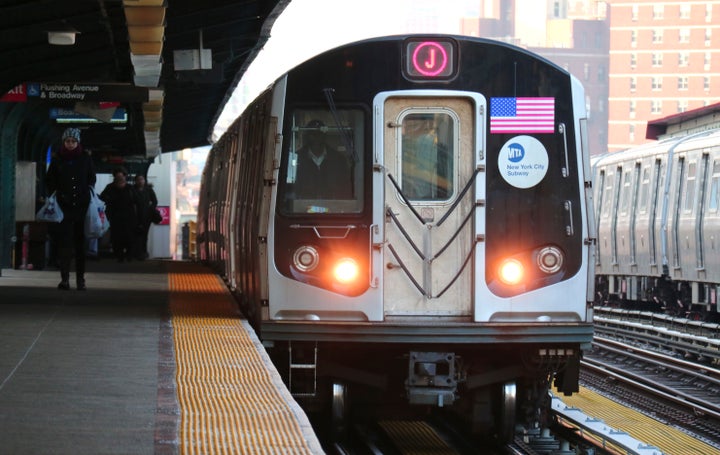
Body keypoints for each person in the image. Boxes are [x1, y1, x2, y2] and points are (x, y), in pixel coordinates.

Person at [45, 127, 97, 290]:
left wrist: (84, 193)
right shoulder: (57, 159)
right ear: (63, 142)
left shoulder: (85, 159)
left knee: (80, 245)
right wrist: (59, 194)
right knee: (65, 244)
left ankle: (80, 280)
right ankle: (65, 279)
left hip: (81, 206)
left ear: (78, 142)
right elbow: (50, 180)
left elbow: (91, 178)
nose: (70, 144)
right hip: (63, 207)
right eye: (67, 141)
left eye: (73, 141)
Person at [293, 119, 352, 200]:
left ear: (325, 136)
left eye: (319, 134)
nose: (316, 138)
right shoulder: (296, 158)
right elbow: (292, 188)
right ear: (307, 136)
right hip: (302, 208)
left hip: (333, 208)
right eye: (313, 134)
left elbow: (345, 188)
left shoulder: (338, 159)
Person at [101, 167, 139, 262]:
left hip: (129, 218)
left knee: (129, 237)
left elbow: (137, 201)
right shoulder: (109, 188)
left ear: (125, 176)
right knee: (117, 238)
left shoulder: (130, 188)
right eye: (117, 176)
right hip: (115, 217)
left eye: (121, 176)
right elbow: (102, 198)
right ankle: (120, 255)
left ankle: (129, 255)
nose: (120, 178)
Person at [132, 174, 157, 260]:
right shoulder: (132, 190)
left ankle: (143, 252)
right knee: (136, 235)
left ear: (144, 180)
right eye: (138, 180)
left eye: (141, 179)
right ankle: (137, 252)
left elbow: (155, 201)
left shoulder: (149, 190)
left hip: (146, 217)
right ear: (135, 181)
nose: (140, 181)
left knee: (144, 235)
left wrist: (150, 208)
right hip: (135, 216)